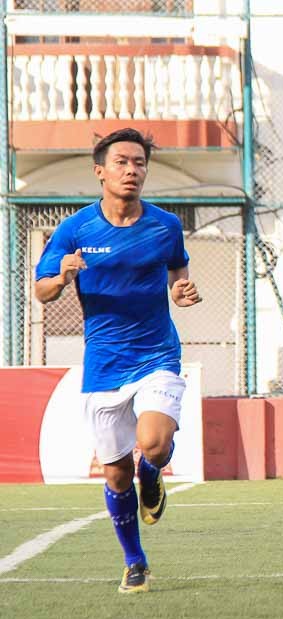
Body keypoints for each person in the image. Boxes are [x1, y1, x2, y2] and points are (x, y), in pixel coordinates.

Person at [34, 128, 201, 593]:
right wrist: (63, 275)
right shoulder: (76, 229)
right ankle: (134, 561)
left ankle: (153, 473)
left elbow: (178, 265)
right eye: (122, 162)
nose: (132, 170)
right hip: (104, 363)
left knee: (153, 443)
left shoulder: (165, 225)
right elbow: (42, 290)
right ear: (100, 171)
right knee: (114, 472)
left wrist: (180, 289)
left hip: (156, 353)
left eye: (140, 163)